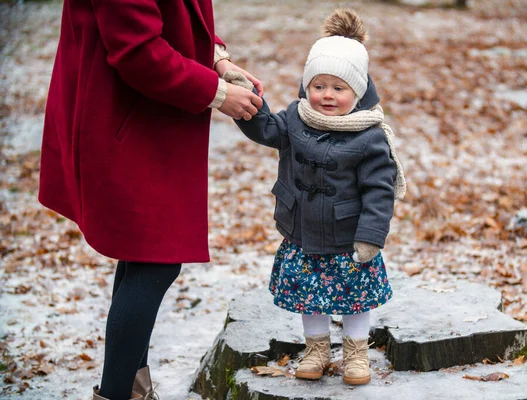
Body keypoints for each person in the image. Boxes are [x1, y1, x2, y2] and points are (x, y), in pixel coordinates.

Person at [37, 0, 263, 399]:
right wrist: (216, 92)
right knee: (156, 261)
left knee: (144, 254)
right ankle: (118, 393)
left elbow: (178, 16)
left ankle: (134, 387)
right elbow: (138, 51)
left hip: (144, 116)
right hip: (123, 116)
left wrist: (217, 59)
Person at [229, 9, 406, 386]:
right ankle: (317, 348)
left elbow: (379, 189)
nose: (327, 95)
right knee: (310, 297)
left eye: (338, 88)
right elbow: (265, 129)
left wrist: (371, 235)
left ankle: (357, 353)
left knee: (356, 298)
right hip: (304, 230)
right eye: (319, 85)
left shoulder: (369, 135)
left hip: (348, 237)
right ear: (306, 86)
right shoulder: (295, 118)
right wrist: (247, 102)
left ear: (357, 92)